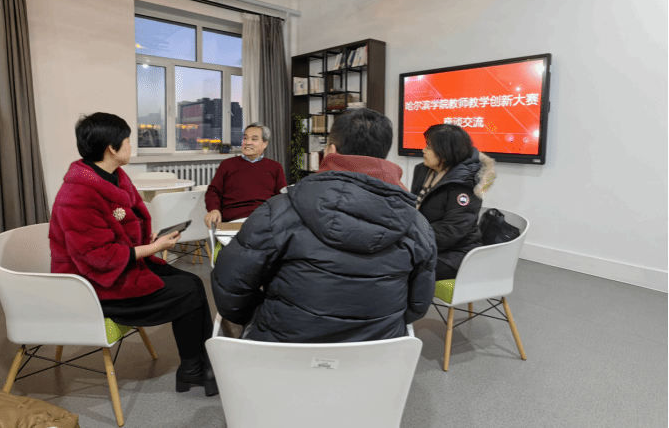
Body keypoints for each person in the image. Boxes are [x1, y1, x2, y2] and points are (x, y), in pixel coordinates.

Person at [211, 109, 437, 343]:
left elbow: (230, 288)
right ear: (383, 155)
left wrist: (261, 315)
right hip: (375, 353)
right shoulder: (417, 223)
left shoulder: (279, 210)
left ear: (330, 151)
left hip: (286, 349)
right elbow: (417, 305)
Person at [49, 113, 217, 396]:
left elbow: (122, 228)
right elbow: (98, 256)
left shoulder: (114, 176)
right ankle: (195, 368)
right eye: (127, 141)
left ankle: (198, 366)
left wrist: (148, 239)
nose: (131, 146)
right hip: (92, 286)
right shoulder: (77, 194)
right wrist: (154, 248)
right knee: (187, 290)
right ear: (111, 148)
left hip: (119, 269)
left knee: (193, 283)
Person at [410, 124, 496, 281]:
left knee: (400, 266)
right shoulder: (423, 170)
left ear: (444, 152)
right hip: (426, 243)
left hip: (455, 253)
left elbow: (452, 231)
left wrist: (410, 238)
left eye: (428, 147)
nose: (423, 150)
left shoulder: (464, 183)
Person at [204, 122, 287, 227]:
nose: (247, 142)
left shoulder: (275, 167)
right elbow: (213, 191)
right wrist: (214, 210)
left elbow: (282, 196)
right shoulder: (227, 165)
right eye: (245, 138)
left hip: (264, 220)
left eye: (254, 139)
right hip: (233, 220)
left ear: (264, 144)